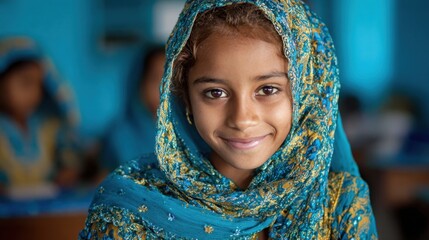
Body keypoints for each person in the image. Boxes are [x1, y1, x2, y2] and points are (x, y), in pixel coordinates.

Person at [80, 1, 377, 239]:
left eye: (268, 89)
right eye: (215, 92)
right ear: (184, 98)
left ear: (307, 94)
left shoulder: (340, 201)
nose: (242, 118)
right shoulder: (130, 211)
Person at [0, 37, 81, 193]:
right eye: (25, 82)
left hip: (46, 214)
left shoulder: (49, 128)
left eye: (39, 84)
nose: (34, 93)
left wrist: (67, 174)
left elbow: (70, 166)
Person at [101, 46, 165, 171]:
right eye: (156, 79)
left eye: (172, 81)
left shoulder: (190, 135)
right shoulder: (119, 136)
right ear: (139, 82)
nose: (165, 90)